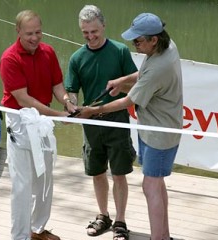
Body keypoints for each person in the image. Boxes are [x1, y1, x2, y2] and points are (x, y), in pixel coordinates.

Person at [78, 12, 183, 240]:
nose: (134, 44)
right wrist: (121, 81)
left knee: (150, 186)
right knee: (156, 184)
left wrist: (93, 110)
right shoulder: (166, 46)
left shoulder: (159, 67)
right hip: (152, 129)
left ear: (154, 38)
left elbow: (128, 101)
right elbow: (143, 73)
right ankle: (163, 236)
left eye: (138, 40)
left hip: (160, 134)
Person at [0, 10, 76, 240]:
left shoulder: (48, 52)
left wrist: (67, 102)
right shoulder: (9, 58)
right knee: (22, 186)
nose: (35, 38)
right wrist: (57, 114)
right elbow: (23, 99)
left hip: (43, 120)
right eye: (29, 33)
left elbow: (57, 85)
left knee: (45, 177)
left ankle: (37, 230)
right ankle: (20, 236)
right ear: (18, 31)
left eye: (38, 32)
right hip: (21, 120)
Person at [64, 5, 137, 240]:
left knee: (119, 174)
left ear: (103, 26)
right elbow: (72, 91)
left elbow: (135, 86)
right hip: (91, 124)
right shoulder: (77, 58)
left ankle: (120, 221)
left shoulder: (120, 51)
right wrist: (72, 106)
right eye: (85, 32)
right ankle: (103, 216)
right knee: (97, 172)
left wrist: (119, 85)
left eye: (94, 31)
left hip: (117, 120)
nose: (91, 37)